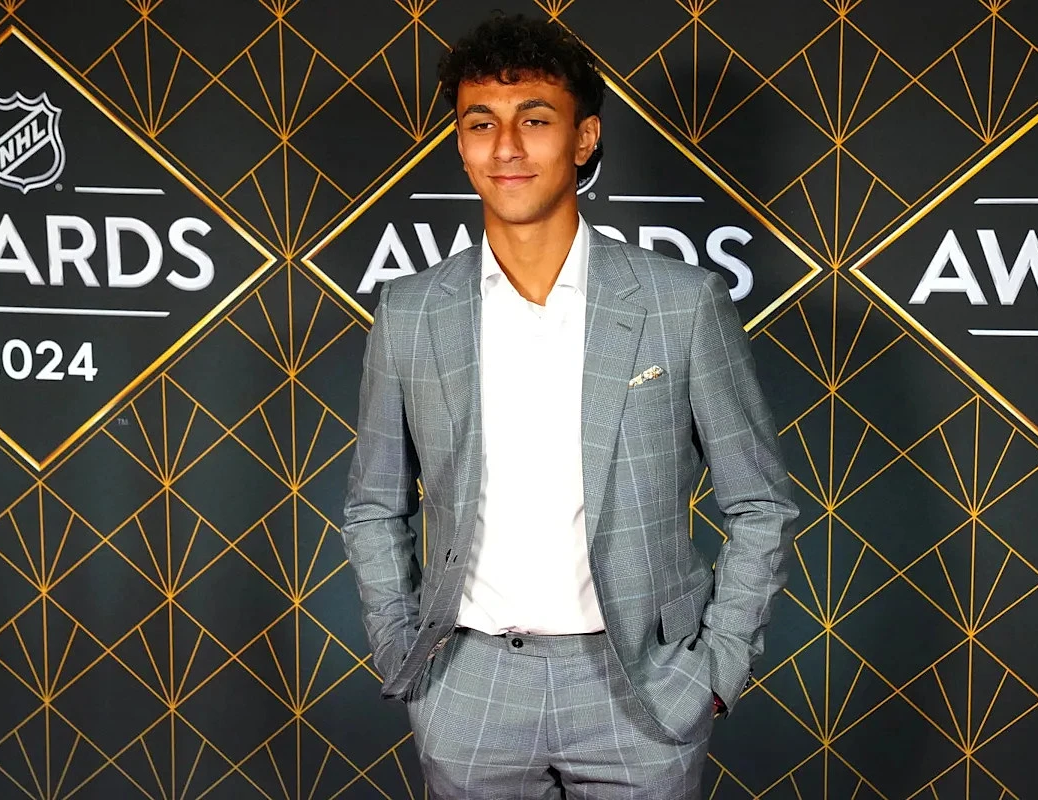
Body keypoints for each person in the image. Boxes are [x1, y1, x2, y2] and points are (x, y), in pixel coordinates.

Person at [340, 12, 798, 799]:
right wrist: (402, 651)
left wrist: (717, 669)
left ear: (583, 138)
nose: (505, 147)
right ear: (460, 143)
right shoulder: (410, 312)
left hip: (643, 689)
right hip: (468, 688)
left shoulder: (681, 303)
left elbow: (761, 503)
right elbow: (374, 506)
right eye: (480, 123)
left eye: (534, 120)